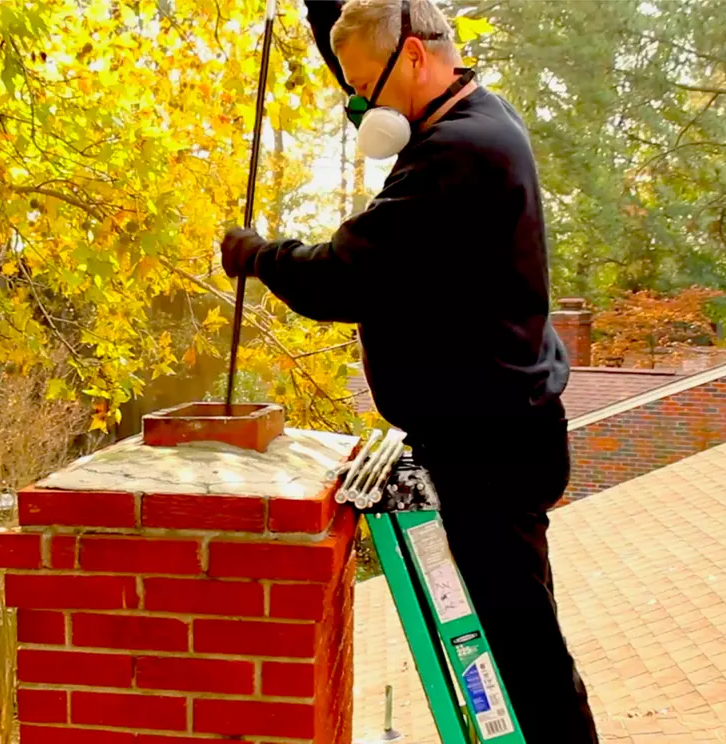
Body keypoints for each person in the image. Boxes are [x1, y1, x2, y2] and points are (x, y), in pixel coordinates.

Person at [218, 0, 600, 741]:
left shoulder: (457, 156)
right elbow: (368, 46)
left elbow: (341, 278)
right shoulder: (473, 117)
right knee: (521, 632)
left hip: (488, 449)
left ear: (417, 60)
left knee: (525, 650)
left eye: (368, 88)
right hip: (499, 433)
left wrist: (258, 255)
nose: (362, 106)